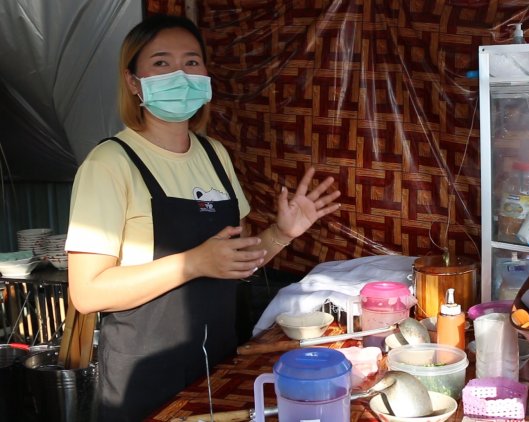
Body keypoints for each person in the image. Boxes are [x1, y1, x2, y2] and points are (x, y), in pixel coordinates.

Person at [64, 14, 341, 421]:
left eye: (192, 62)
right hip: (144, 379)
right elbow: (87, 293)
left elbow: (235, 258)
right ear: (133, 81)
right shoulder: (109, 163)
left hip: (215, 364)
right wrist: (193, 263)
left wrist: (281, 233)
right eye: (161, 63)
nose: (180, 73)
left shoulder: (213, 154)